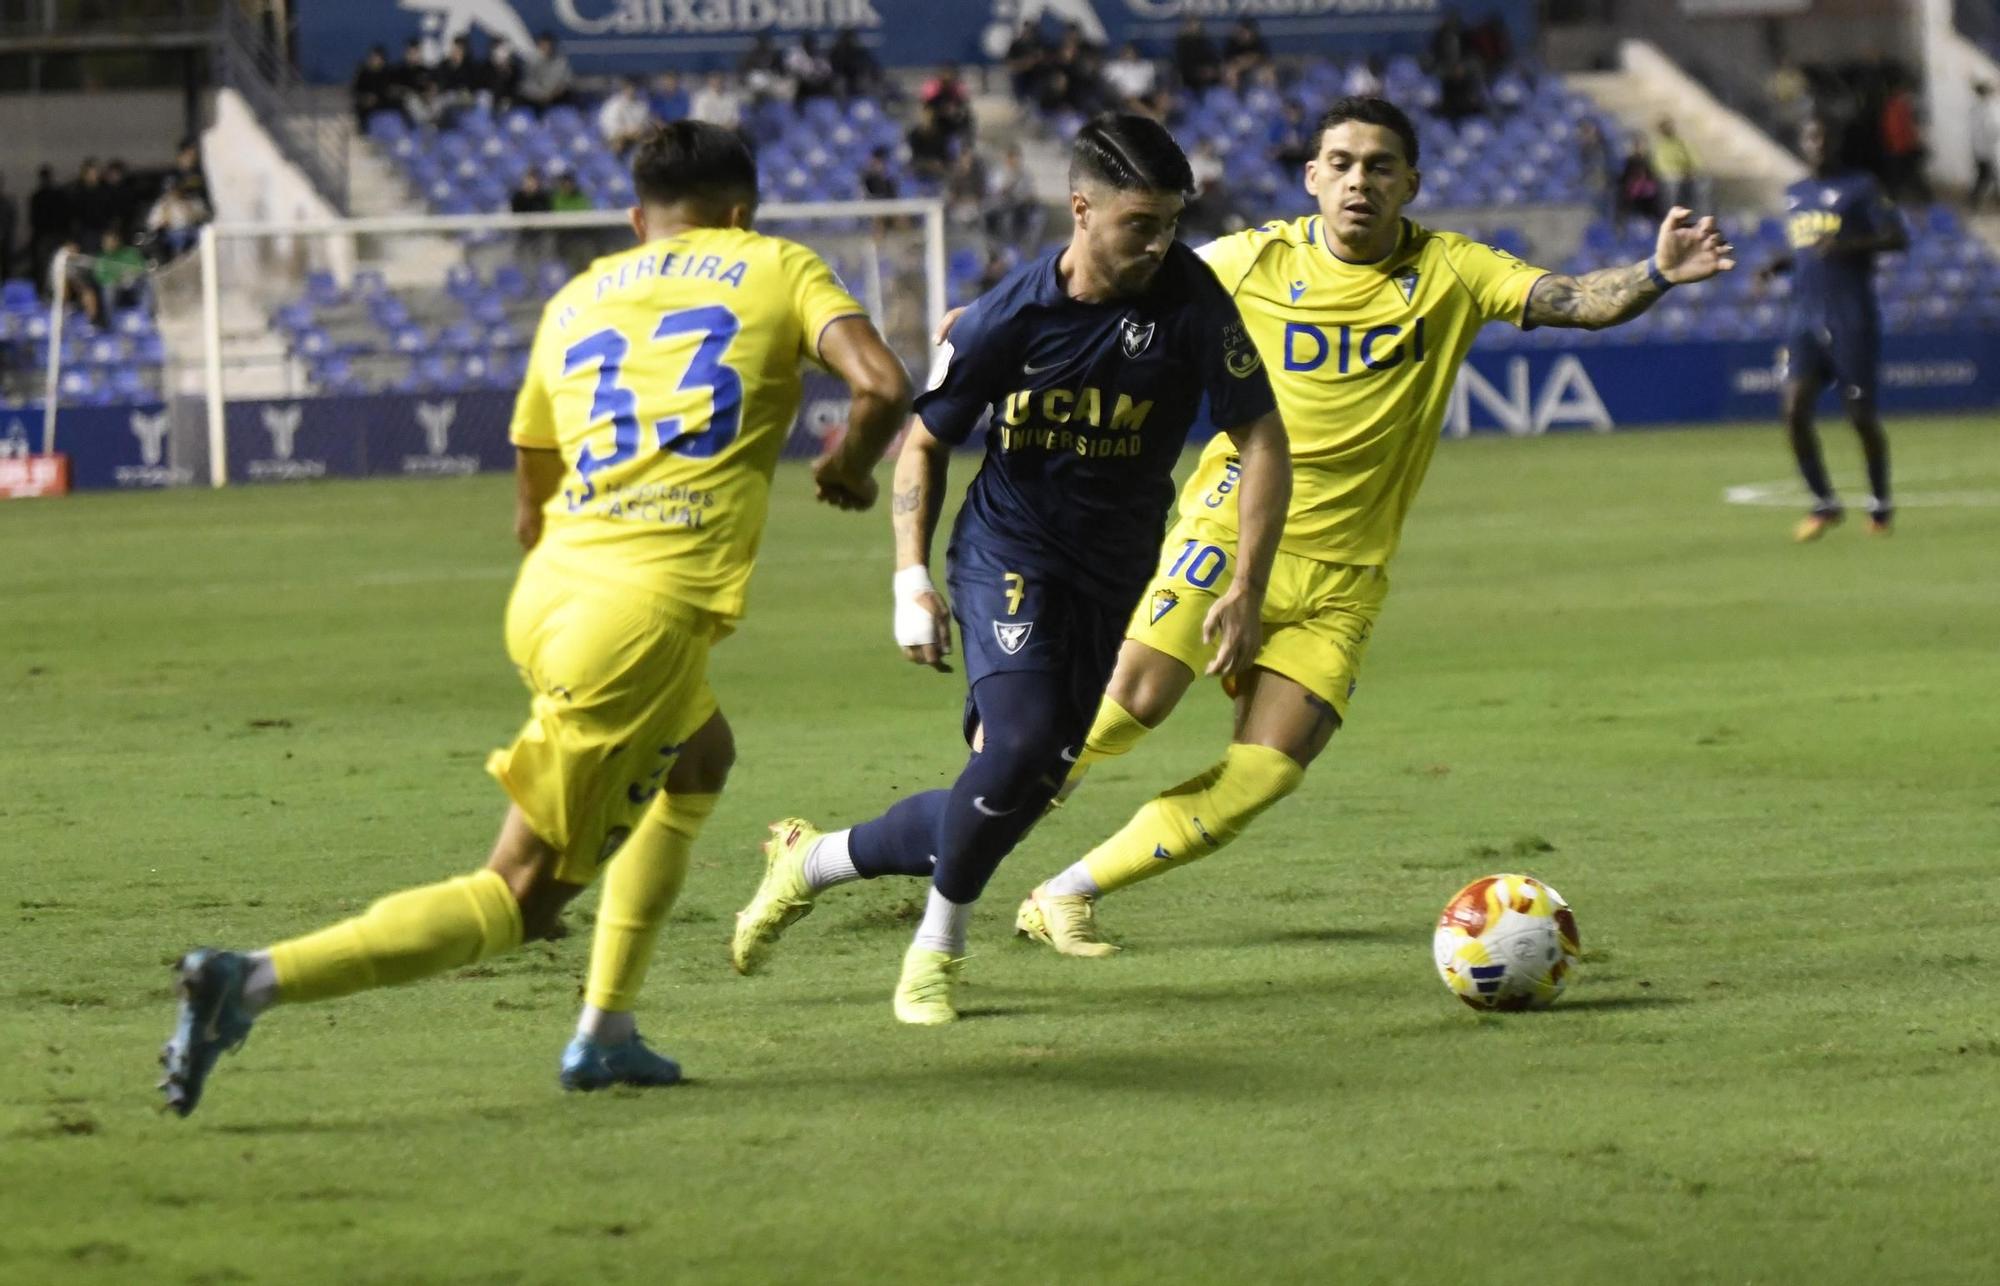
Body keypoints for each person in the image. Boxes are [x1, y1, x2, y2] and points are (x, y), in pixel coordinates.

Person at [156, 120, 915, 1116]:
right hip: (638, 618)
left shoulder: (577, 297)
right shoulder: (775, 265)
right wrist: (847, 466)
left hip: (555, 591)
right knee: (519, 895)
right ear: (741, 212)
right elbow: (882, 385)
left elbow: (530, 494)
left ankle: (606, 1031)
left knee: (699, 757)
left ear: (638, 218)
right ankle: (248, 981)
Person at [1003, 96, 1735, 957]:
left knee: (1266, 771)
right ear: (1313, 177)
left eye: (1380, 166)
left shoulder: (1453, 270)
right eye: (1343, 164)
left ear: (1409, 183)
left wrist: (1656, 273)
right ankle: (964, 830)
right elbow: (1109, 274)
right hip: (1231, 530)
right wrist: (998, 327)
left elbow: (1573, 298)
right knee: (1132, 705)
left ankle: (1064, 894)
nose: (1360, 181)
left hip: (1345, 576)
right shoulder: (1250, 259)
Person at [729, 113, 1291, 1024]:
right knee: (1023, 749)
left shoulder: (1192, 304)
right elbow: (924, 443)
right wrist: (910, 579)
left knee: (1016, 790)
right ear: (1081, 210)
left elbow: (1263, 438)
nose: (1159, 243)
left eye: (1170, 224)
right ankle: (935, 953)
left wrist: (1247, 585)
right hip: (1009, 551)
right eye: (1140, 224)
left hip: (1114, 572)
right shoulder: (1007, 317)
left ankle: (813, 860)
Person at [1756, 113, 1905, 541]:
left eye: (1824, 137)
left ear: (1836, 142)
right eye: (1810, 137)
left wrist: (1848, 244)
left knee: (1860, 417)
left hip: (1850, 316)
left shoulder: (1861, 187)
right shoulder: (1795, 194)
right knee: (1793, 411)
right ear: (1802, 143)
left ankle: (1880, 503)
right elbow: (1809, 250)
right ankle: (1824, 504)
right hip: (1804, 317)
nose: (1817, 144)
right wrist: (1780, 264)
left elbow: (1896, 237)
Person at [143, 178, 209, 259]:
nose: (173, 192)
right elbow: (152, 224)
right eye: (170, 190)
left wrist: (194, 213)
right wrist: (162, 222)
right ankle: (180, 257)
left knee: (204, 234)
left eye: (175, 189)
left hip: (192, 228)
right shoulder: (163, 205)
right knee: (180, 238)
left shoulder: (189, 200)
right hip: (174, 232)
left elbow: (204, 214)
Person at [519, 32, 576, 114]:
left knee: (569, 97)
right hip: (534, 99)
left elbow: (566, 81)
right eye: (543, 45)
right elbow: (526, 84)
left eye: (548, 45)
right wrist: (540, 96)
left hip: (555, 97)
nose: (546, 48)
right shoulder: (530, 61)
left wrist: (554, 93)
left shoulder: (560, 61)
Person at [1651, 117, 1699, 211]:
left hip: (1680, 176)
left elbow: (1688, 156)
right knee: (1671, 200)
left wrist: (1690, 169)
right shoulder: (1659, 144)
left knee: (1683, 201)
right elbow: (1658, 162)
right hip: (1667, 177)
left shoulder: (1678, 142)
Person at [599, 78, 655, 157]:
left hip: (637, 137)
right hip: (618, 137)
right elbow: (610, 127)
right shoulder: (613, 104)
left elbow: (647, 123)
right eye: (628, 88)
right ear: (623, 89)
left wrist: (640, 130)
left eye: (633, 88)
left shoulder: (642, 104)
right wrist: (626, 132)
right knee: (617, 142)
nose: (631, 91)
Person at [1101, 43, 1157, 110]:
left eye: (1131, 52)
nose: (1129, 55)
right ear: (1121, 53)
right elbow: (1107, 84)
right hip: (1121, 99)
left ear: (1136, 53)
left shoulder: (1146, 66)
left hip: (1144, 97)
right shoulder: (1113, 67)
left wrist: (1140, 94)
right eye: (1126, 52)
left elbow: (1150, 85)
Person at [351, 45, 396, 128]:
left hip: (383, 106)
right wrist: (365, 98)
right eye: (373, 58)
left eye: (378, 58)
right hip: (366, 108)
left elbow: (389, 91)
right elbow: (356, 91)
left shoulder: (387, 73)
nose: (375, 60)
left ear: (383, 60)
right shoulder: (364, 73)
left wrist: (377, 98)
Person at [1174, 18, 1221, 94]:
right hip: (1189, 79)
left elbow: (1214, 59)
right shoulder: (1182, 44)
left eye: (1195, 24)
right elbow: (1181, 63)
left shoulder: (1205, 42)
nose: (1193, 28)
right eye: (1190, 25)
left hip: (1208, 79)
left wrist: (1210, 70)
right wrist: (1198, 71)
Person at [1969, 83, 1997, 211]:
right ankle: (1973, 199)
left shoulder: (1975, 108)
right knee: (1985, 176)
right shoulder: (1986, 109)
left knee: (1988, 175)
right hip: (1986, 149)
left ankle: (1975, 199)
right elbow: (1991, 129)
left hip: (1979, 149)